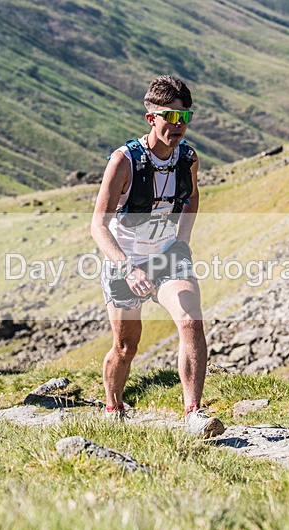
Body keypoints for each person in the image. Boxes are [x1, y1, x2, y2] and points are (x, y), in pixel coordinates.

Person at [91, 76, 224, 438]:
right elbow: (98, 225)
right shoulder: (124, 161)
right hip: (125, 261)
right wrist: (127, 268)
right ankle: (113, 406)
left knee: (191, 322)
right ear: (151, 118)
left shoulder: (188, 158)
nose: (179, 125)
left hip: (167, 255)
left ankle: (193, 414)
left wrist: (183, 240)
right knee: (126, 346)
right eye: (172, 116)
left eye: (186, 116)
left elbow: (192, 196)